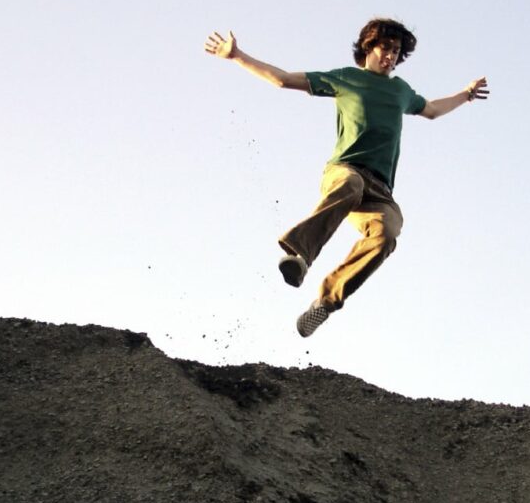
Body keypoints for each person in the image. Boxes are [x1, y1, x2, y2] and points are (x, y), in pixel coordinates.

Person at [204, 18, 489, 337]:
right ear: (368, 47)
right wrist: (237, 56)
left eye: (396, 52)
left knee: (387, 234)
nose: (390, 57)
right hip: (345, 171)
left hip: (380, 191)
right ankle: (299, 255)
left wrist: (466, 94)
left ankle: (326, 302)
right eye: (385, 48)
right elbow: (284, 80)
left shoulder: (400, 90)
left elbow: (433, 110)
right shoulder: (347, 78)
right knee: (351, 185)